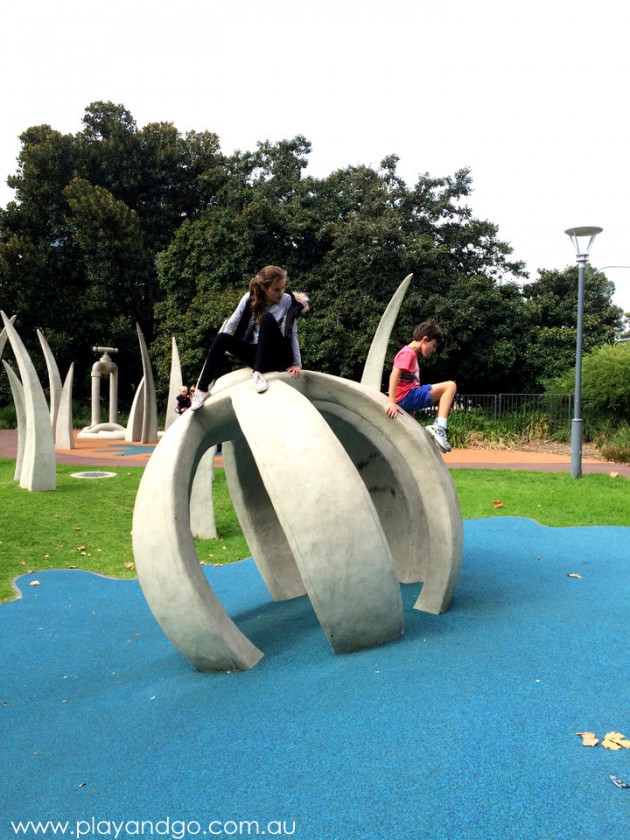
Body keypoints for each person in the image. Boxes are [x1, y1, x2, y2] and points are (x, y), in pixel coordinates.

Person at [190, 265, 309, 411]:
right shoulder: (249, 298)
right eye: (276, 289)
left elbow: (293, 332)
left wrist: (297, 363)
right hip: (256, 353)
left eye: (283, 287)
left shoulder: (287, 300)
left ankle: (258, 374)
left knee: (266, 319)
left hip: (276, 356)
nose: (281, 292)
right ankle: (201, 391)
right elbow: (233, 321)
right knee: (221, 338)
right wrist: (224, 347)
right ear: (265, 288)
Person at [385, 321, 457, 453]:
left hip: (407, 399)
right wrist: (392, 402)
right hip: (406, 398)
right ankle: (439, 428)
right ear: (425, 340)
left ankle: (429, 433)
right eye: (433, 345)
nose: (434, 350)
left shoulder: (411, 354)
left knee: (416, 436)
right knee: (450, 386)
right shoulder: (408, 353)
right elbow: (394, 374)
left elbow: (403, 381)